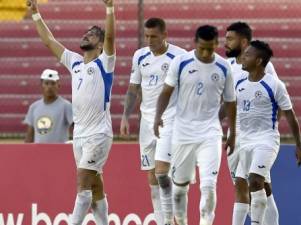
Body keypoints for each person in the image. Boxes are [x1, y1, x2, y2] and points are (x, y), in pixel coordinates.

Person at [27, 0, 116, 224]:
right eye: (86, 32)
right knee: (95, 187)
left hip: (98, 134)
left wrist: (109, 8)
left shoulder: (105, 63)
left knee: (83, 186)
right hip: (80, 137)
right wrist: (36, 13)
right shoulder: (75, 63)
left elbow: (112, 39)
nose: (87, 35)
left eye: (93, 34)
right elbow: (49, 41)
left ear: (100, 45)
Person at [153, 25, 236, 225]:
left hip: (210, 133)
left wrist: (232, 131)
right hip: (183, 133)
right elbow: (166, 92)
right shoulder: (181, 63)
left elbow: (231, 102)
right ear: (195, 44)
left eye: (210, 48)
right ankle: (180, 221)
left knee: (208, 186)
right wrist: (158, 116)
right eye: (202, 48)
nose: (206, 53)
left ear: (217, 44)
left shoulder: (225, 67)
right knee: (180, 188)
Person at [120, 17, 186, 225]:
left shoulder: (180, 57)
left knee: (161, 173)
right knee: (152, 178)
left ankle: (170, 220)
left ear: (165, 35)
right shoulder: (140, 56)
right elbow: (133, 88)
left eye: (154, 36)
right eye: (146, 36)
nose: (149, 40)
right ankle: (163, 219)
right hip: (146, 121)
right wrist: (125, 117)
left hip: (170, 119)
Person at [236, 40, 301, 225]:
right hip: (245, 141)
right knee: (262, 189)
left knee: (255, 181)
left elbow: (290, 116)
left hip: (266, 140)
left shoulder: (274, 85)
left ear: (258, 61)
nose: (243, 57)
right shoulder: (239, 83)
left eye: (248, 55)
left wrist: (299, 145)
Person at [223, 21, 280, 225]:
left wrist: (268, 130)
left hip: (256, 136)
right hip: (235, 135)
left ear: (244, 41)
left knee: (261, 185)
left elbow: (275, 97)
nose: (225, 42)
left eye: (230, 39)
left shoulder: (264, 66)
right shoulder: (226, 66)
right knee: (240, 187)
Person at [24, 69, 73, 143]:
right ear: (41, 85)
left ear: (58, 85)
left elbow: (77, 128)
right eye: (46, 83)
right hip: (39, 152)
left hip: (58, 152)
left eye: (53, 83)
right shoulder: (34, 107)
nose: (49, 87)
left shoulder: (66, 106)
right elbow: (29, 135)